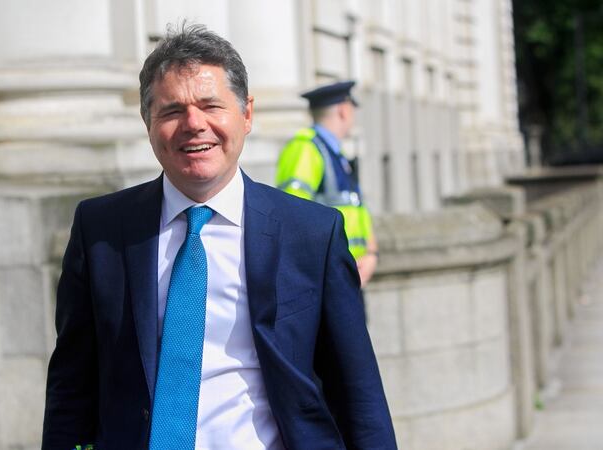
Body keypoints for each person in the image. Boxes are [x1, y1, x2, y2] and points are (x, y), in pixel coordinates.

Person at [42, 24, 396, 450]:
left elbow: (358, 393)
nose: (194, 124)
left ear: (246, 114)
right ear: (147, 122)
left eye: (211, 105)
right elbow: (71, 387)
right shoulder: (101, 230)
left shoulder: (312, 235)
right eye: (172, 110)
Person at [276, 82, 378, 287]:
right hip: (327, 278)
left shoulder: (335, 154)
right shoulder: (306, 149)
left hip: (346, 275)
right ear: (344, 110)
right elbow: (292, 216)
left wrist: (371, 254)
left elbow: (355, 209)